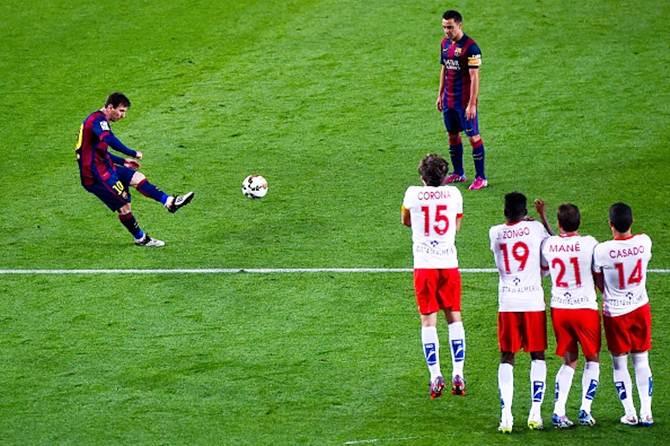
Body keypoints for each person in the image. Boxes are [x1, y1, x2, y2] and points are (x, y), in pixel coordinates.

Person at [75, 92, 194, 247]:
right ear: (110, 107)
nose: (123, 116)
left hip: (105, 168)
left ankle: (170, 202)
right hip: (95, 176)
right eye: (121, 111)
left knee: (137, 178)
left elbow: (99, 152)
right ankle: (141, 238)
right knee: (124, 206)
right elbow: (109, 140)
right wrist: (131, 153)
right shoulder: (97, 121)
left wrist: (122, 161)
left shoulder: (98, 121)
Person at [401, 153, 467, 399]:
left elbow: (405, 220)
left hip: (424, 265)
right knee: (454, 317)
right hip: (449, 263)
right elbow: (457, 226)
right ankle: (458, 372)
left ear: (422, 176)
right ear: (445, 176)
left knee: (428, 321)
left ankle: (435, 374)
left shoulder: (412, 194)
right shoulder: (454, 195)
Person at [489, 193, 550, 433]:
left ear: (505, 210)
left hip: (508, 302)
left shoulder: (494, 232)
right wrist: (540, 219)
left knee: (507, 356)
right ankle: (535, 413)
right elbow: (555, 247)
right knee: (537, 355)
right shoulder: (535, 229)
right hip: (533, 300)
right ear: (525, 212)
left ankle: (506, 416)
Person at [540, 203, 600, 428]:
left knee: (569, 360)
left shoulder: (550, 245)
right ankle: (585, 409)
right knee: (592, 359)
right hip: (585, 309)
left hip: (560, 309)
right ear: (579, 222)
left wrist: (543, 218)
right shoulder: (590, 243)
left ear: (559, 223)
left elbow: (554, 244)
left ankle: (558, 411)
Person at [593, 203, 654, 426]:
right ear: (632, 221)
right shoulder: (644, 242)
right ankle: (647, 411)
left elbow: (598, 281)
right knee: (641, 360)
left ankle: (630, 413)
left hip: (616, 312)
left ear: (610, 224)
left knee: (619, 364)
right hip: (640, 307)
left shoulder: (602, 250)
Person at [436, 9, 488, 191]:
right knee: (452, 135)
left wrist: (472, 103)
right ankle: (459, 172)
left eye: (450, 27)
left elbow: (475, 77)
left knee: (473, 137)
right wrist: (440, 94)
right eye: (444, 27)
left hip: (464, 102)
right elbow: (444, 69)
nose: (446, 31)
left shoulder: (471, 48)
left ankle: (481, 177)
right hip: (449, 100)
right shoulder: (444, 44)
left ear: (459, 25)